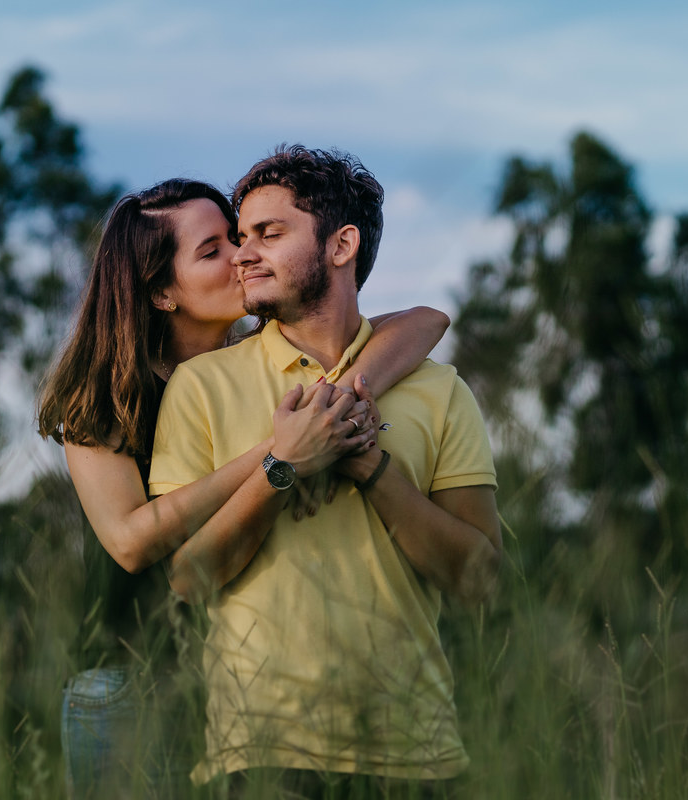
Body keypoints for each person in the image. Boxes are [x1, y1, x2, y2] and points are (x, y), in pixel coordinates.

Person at [35, 177, 450, 797]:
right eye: (213, 250)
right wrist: (281, 453)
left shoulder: (252, 365)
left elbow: (425, 321)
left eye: (238, 237)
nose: (242, 255)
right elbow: (130, 541)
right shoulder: (106, 398)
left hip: (230, 677)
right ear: (163, 293)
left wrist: (334, 402)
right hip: (129, 684)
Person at [148, 147, 502, 798]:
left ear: (342, 245)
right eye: (240, 237)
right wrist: (284, 467)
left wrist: (370, 467)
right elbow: (189, 579)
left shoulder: (440, 390)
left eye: (269, 234)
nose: (243, 255)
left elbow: (480, 578)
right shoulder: (200, 387)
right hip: (259, 755)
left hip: (416, 755)